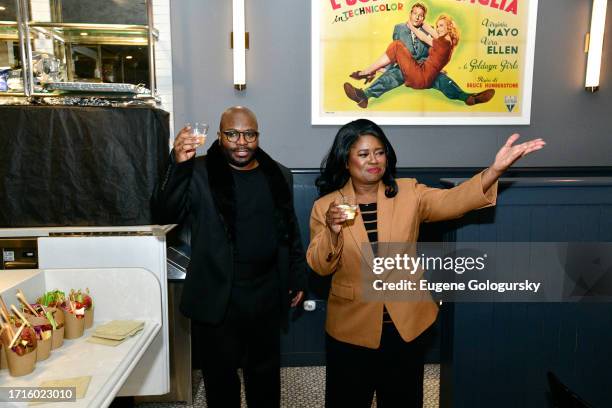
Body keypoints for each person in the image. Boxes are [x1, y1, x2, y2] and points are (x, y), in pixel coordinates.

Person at [306, 119, 545, 407]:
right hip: (351, 331)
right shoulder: (326, 207)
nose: (374, 160)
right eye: (364, 154)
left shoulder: (409, 193)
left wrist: (494, 171)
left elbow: (455, 201)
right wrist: (332, 231)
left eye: (379, 152)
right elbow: (320, 266)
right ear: (346, 160)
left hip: (405, 327)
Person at [152, 106, 307, 408]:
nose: (241, 142)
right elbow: (163, 215)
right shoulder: (197, 171)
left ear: (257, 136)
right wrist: (177, 163)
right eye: (232, 134)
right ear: (221, 136)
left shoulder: (279, 175)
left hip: (265, 292)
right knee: (220, 380)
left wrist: (297, 273)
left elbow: (290, 232)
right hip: (217, 293)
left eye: (249, 134)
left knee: (265, 377)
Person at [344, 2, 494, 108]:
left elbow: (429, 46)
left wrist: (436, 67)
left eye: (420, 15)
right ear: (410, 14)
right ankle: (364, 96)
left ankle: (466, 96)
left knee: (442, 79)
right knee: (394, 73)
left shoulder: (433, 36)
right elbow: (393, 54)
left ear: (424, 18)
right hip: (407, 68)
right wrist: (383, 69)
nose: (417, 17)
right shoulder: (399, 28)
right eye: (414, 13)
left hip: (422, 70)